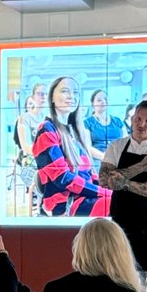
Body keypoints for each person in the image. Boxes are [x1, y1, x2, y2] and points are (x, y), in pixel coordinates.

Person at [98, 100, 147, 276]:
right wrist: (141, 167)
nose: (141, 124)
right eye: (138, 119)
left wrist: (124, 183)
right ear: (132, 119)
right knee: (118, 277)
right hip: (120, 224)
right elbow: (104, 180)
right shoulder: (117, 146)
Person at [32, 76, 111, 217]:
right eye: (64, 91)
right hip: (65, 204)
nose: (71, 96)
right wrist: (105, 193)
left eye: (75, 93)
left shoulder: (76, 132)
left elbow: (90, 176)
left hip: (84, 198)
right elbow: (63, 178)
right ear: (52, 98)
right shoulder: (47, 129)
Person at [83, 90, 125, 162]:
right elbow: (87, 147)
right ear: (93, 104)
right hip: (98, 159)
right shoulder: (87, 123)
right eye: (99, 100)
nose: (103, 101)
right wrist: (105, 157)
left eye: (106, 99)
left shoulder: (118, 121)